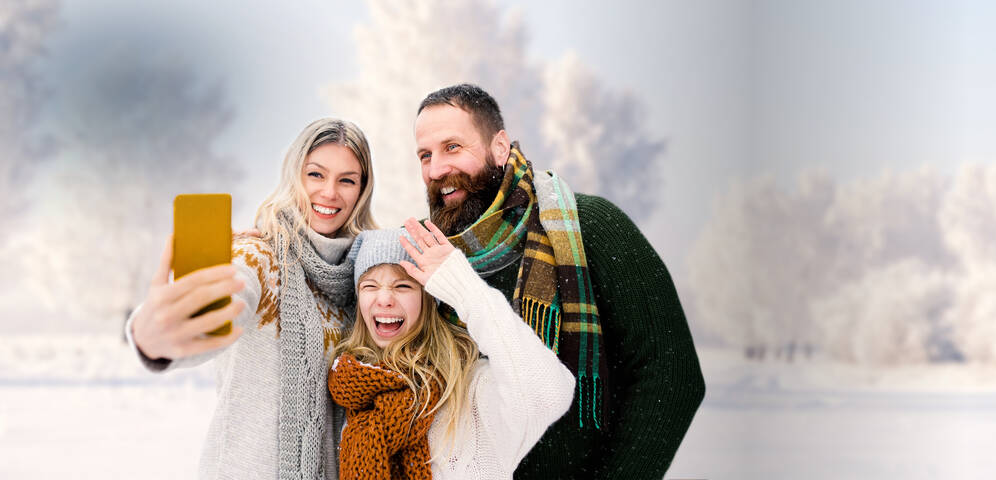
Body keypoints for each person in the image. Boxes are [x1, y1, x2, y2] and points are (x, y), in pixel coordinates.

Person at [412, 84, 705, 479]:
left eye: (452, 147)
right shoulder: (426, 254)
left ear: (499, 147)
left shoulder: (588, 227)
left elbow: (671, 374)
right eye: (425, 155)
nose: (436, 170)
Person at [125, 118, 379, 479]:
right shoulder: (257, 258)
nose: (329, 193)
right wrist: (154, 338)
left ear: (362, 190)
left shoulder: (362, 282)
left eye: (347, 180)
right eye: (316, 175)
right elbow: (221, 309)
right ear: (294, 176)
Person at [328, 219, 574, 479]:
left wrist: (466, 290)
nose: (385, 299)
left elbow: (547, 394)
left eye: (403, 286)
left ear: (428, 300)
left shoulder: (469, 390)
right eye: (370, 286)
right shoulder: (348, 393)